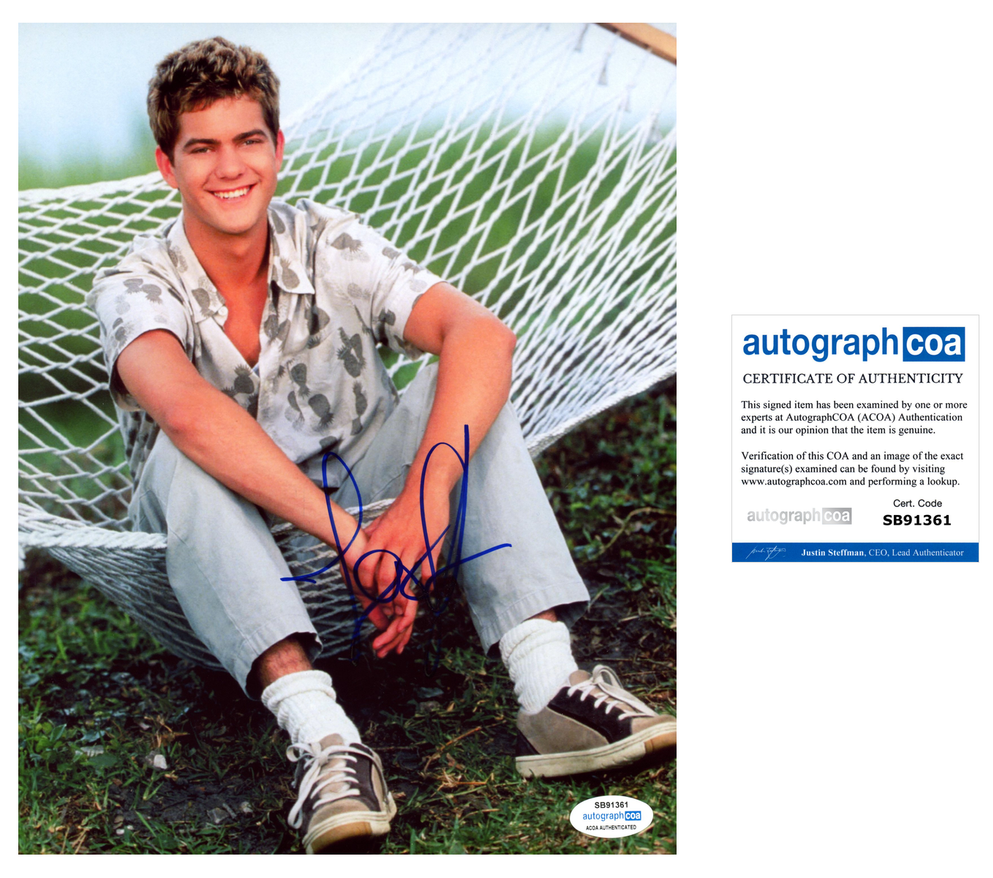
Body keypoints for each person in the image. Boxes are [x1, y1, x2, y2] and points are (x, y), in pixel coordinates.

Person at [88, 36, 675, 854]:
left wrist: (419, 510)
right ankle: (326, 743)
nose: (230, 167)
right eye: (202, 148)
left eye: (248, 140)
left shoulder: (328, 240)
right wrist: (356, 540)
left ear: (277, 147)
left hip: (378, 510)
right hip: (230, 551)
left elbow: (482, 333)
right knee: (182, 451)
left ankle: (549, 683)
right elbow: (186, 411)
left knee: (461, 382)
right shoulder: (134, 282)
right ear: (167, 165)